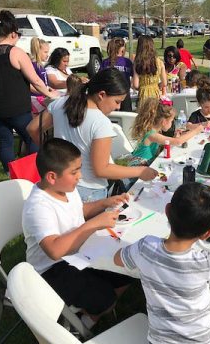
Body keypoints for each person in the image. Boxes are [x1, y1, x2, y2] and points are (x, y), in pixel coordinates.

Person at [22, 137, 134, 329]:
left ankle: (89, 314)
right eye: (75, 172)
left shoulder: (65, 187)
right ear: (51, 177)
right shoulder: (38, 207)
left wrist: (104, 203)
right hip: (51, 270)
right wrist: (92, 225)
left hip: (78, 253)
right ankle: (79, 323)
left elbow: (78, 210)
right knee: (105, 299)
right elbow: (54, 251)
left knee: (128, 271)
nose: (80, 176)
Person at [114, 182, 210, 344]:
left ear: (167, 211)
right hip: (201, 341)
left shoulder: (145, 247)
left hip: (159, 341)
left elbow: (117, 259)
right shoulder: (204, 262)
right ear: (208, 233)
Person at [27, 68, 158, 202]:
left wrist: (51, 154)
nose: (118, 107)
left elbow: (32, 128)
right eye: (117, 101)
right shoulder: (101, 122)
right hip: (89, 191)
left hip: (61, 185)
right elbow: (101, 169)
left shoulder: (60, 103)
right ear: (101, 94)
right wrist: (140, 171)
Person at [0, 10, 58, 173]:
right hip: (15, 107)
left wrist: (42, 90)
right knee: (31, 137)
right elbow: (35, 80)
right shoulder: (16, 53)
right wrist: (50, 94)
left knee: (5, 140)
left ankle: (10, 173)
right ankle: (34, 172)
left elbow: (8, 80)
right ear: (13, 34)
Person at [131, 98, 204, 163]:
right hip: (137, 169)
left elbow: (169, 142)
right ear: (164, 122)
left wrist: (174, 137)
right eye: (171, 121)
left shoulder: (154, 130)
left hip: (145, 164)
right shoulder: (151, 134)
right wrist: (195, 131)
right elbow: (178, 142)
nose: (172, 123)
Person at [101, 37, 133, 111]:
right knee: (126, 118)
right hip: (124, 94)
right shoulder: (127, 62)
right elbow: (133, 76)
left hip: (110, 95)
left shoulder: (105, 62)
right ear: (122, 49)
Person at [133, 35, 167, 104]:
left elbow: (135, 85)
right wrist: (156, 86)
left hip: (143, 95)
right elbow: (165, 83)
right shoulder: (159, 62)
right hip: (155, 93)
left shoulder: (137, 63)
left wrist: (143, 87)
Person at [29, 37, 51, 115]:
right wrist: (43, 91)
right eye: (45, 52)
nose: (47, 55)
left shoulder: (40, 65)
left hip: (42, 96)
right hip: (35, 98)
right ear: (38, 51)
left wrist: (48, 89)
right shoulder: (33, 65)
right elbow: (29, 85)